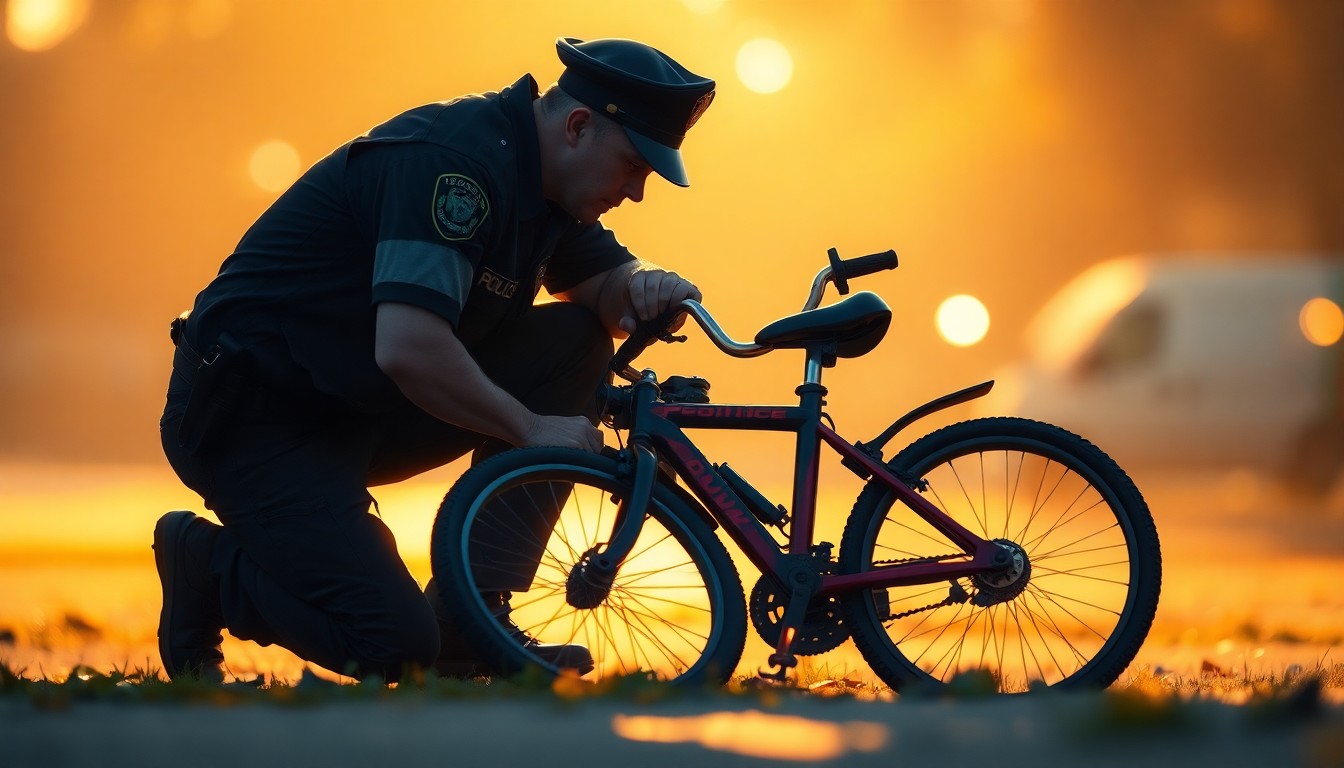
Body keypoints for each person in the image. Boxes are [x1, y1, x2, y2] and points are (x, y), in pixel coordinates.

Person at [154, 37, 715, 683]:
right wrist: (532, 428)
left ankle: (470, 620)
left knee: (575, 340)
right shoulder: (457, 169)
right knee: (391, 643)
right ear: (578, 127)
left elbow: (608, 298)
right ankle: (204, 565)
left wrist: (646, 285)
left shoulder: (546, 183)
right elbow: (410, 347)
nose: (637, 191)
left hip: (357, 404)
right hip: (255, 421)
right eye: (633, 165)